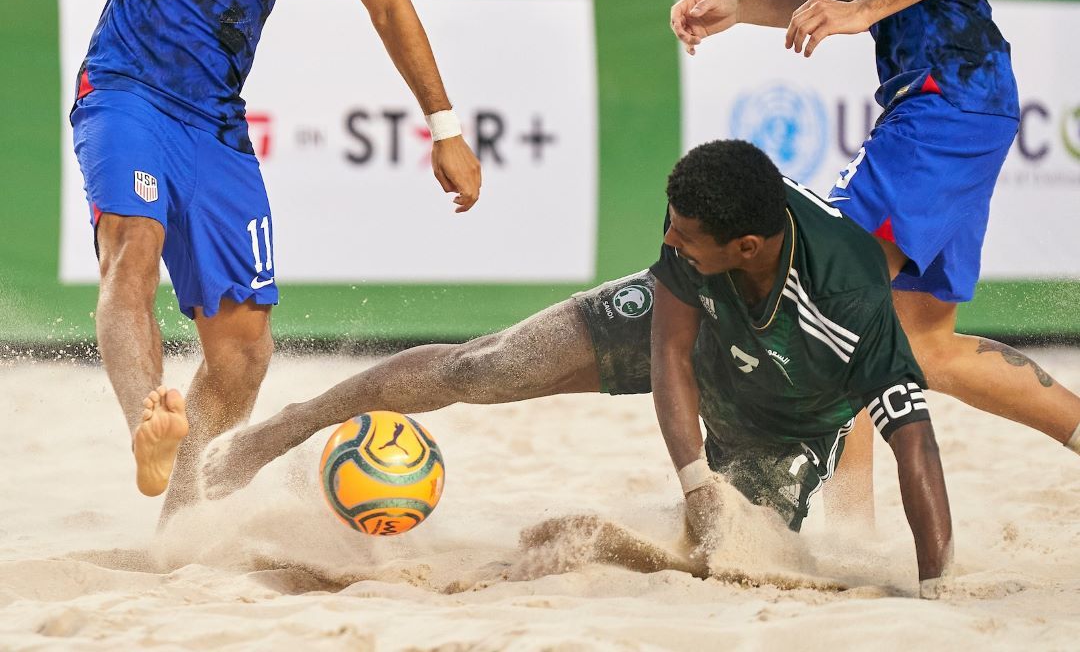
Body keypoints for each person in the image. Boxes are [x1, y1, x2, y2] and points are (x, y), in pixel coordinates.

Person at [0, 0, 482, 514]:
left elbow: (390, 6)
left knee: (244, 353)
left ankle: (182, 516)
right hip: (125, 88)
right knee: (132, 251)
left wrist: (446, 128)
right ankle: (148, 423)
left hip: (216, 121)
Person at [202, 140, 952, 596]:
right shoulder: (700, 219)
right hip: (699, 330)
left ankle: (622, 536)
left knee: (723, 559)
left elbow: (915, 442)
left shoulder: (850, 299)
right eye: (670, 226)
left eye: (684, 236)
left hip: (781, 420)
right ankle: (280, 433)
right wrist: (696, 480)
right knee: (481, 368)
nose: (668, 240)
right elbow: (671, 353)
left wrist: (938, 589)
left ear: (747, 247)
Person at [669, 0, 1080, 508]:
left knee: (829, 294)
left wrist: (862, 13)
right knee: (927, 348)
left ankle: (850, 531)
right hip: (952, 98)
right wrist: (744, 6)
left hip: (948, 92)